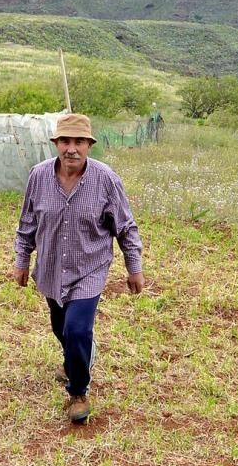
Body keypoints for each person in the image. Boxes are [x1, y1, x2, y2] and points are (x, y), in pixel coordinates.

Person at [13, 113, 144, 422]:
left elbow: (125, 227)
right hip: (51, 267)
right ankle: (78, 356)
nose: (71, 149)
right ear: (56, 143)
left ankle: (78, 392)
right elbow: (27, 222)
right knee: (61, 329)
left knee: (76, 328)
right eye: (65, 141)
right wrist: (22, 260)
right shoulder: (38, 176)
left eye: (79, 142)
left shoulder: (105, 179)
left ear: (89, 145)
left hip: (90, 267)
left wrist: (133, 266)